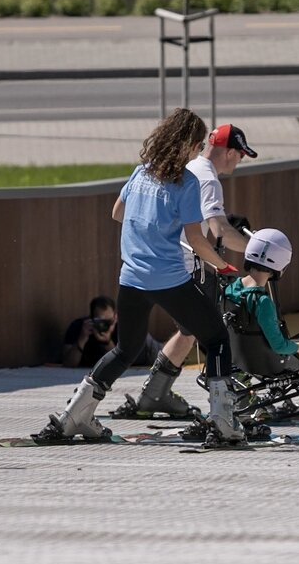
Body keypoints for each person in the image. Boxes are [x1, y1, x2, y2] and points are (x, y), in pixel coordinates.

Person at [32, 108, 249, 447]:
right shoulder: (187, 183)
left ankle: (74, 416)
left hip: (131, 278)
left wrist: (148, 226)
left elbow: (117, 213)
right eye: (195, 147)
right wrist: (221, 265)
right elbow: (196, 240)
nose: (196, 153)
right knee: (217, 338)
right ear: (190, 146)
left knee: (125, 348)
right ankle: (223, 423)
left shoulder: (141, 173)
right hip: (170, 280)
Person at [110, 122, 257, 420]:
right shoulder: (206, 179)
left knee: (187, 332)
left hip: (147, 267)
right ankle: (229, 409)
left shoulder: (180, 169)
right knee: (216, 334)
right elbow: (219, 231)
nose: (240, 161)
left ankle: (154, 394)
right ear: (229, 152)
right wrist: (257, 249)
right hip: (187, 268)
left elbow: (120, 213)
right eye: (240, 155)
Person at [223, 228, 299, 421]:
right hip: (267, 363)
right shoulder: (262, 302)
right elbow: (279, 345)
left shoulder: (230, 289)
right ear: (280, 264)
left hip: (238, 357)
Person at [61, 296, 162, 368]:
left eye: (109, 321)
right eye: (99, 322)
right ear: (91, 318)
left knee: (165, 356)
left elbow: (122, 362)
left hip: (143, 349)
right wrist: (82, 339)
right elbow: (69, 363)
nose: (104, 326)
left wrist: (107, 342)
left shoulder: (123, 328)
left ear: (115, 317)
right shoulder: (79, 327)